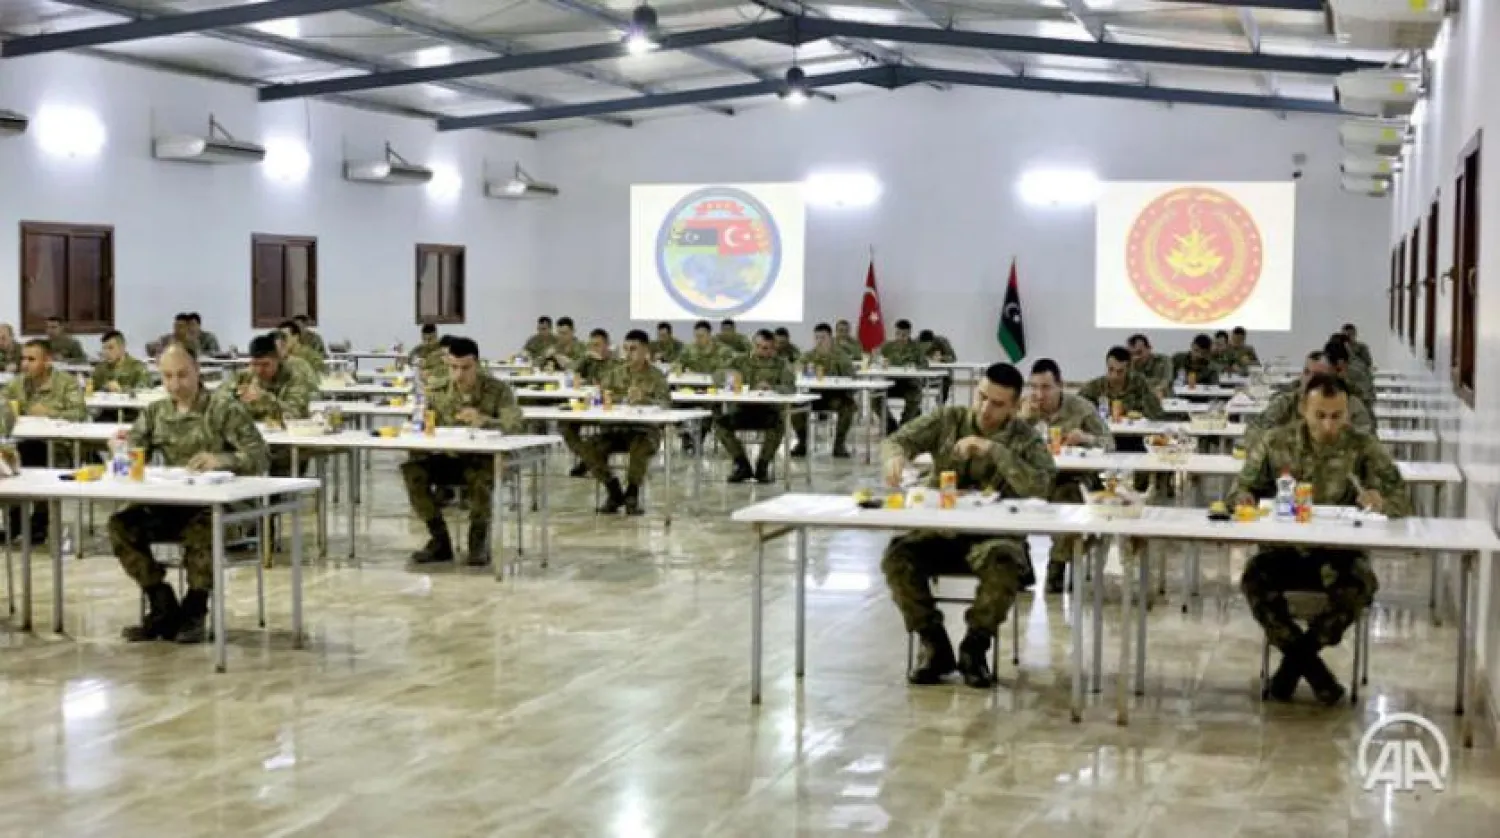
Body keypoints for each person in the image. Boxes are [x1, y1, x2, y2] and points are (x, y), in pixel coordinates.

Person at [1229, 374, 1408, 704]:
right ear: (1303, 409)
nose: (1329, 425)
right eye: (1320, 415)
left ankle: (1294, 665)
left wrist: (1380, 501)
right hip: (1283, 550)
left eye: (1337, 416)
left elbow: (1402, 497)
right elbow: (1240, 488)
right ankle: (1314, 670)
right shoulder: (1275, 442)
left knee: (1360, 587)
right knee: (1254, 581)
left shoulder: (1363, 446)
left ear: (1347, 412)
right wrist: (1244, 498)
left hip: (1339, 554)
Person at [880, 362, 1056, 688]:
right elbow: (898, 440)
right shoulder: (949, 420)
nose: (986, 409)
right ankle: (934, 643)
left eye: (997, 404)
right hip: (940, 532)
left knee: (1004, 563)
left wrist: (994, 450)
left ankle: (975, 648)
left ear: (1015, 407)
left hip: (992, 537)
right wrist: (895, 456)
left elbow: (1042, 486)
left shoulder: (1025, 439)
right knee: (898, 557)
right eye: (982, 397)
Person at [111, 344, 269, 643]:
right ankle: (161, 602)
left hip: (226, 507)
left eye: (182, 375)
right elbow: (134, 451)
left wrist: (222, 459)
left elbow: (260, 456)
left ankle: (195, 608)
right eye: (167, 376)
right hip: (175, 502)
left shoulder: (224, 410)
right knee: (122, 525)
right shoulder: (156, 412)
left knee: (203, 529)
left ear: (197, 371)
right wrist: (121, 450)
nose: (175, 384)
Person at [401, 337, 523, 567]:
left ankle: (478, 541)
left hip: (485, 460)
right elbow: (420, 421)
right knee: (413, 471)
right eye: (453, 367)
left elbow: (515, 424)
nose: (459, 374)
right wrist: (420, 427)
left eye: (465, 368)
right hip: (450, 457)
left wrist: (485, 420)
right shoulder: (437, 390)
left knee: (481, 478)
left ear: (477, 364)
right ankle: (439, 540)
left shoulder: (498, 390)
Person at [1019, 359, 1113, 593]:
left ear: (1060, 385)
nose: (1039, 394)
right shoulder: (1025, 408)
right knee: (1009, 494)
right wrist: (1024, 420)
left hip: (1074, 476)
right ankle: (1021, 566)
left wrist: (1086, 438)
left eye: (1046, 387)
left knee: (1067, 498)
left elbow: (1109, 444)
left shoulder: (1081, 408)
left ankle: (1057, 568)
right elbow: (1002, 443)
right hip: (1036, 476)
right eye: (1034, 387)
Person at [4, 338, 87, 542]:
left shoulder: (66, 383)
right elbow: (2, 403)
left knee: (29, 453)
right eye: (23, 359)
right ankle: (14, 520)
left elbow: (80, 413)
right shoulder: (18, 383)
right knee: (9, 456)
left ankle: (38, 521)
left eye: (31, 359)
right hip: (25, 443)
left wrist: (49, 413)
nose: (25, 364)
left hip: (59, 448)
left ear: (47, 361)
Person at [580, 330, 670, 515]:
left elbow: (666, 404)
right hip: (616, 430)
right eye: (626, 349)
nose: (628, 354)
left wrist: (644, 399)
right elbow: (601, 398)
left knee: (639, 447)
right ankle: (613, 489)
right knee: (588, 448)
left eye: (633, 349)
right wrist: (603, 399)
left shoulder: (657, 376)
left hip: (644, 431)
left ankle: (632, 493)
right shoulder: (614, 374)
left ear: (645, 350)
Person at [1244, 351, 1373, 449]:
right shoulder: (1285, 402)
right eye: (1306, 372)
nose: (1309, 379)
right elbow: (1254, 431)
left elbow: (1369, 441)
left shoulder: (1350, 404)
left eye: (1317, 375)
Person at [716, 329, 795, 484]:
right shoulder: (739, 361)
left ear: (772, 348)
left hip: (767, 411)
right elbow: (717, 376)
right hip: (742, 409)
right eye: (757, 346)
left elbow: (790, 388)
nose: (760, 350)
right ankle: (742, 464)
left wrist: (772, 387)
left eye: (765, 348)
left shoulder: (781, 364)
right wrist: (730, 379)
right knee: (719, 424)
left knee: (779, 424)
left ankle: (762, 466)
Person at [792, 323, 856, 458]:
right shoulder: (809, 355)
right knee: (794, 406)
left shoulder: (840, 355)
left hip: (834, 397)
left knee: (848, 406)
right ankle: (802, 442)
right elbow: (796, 367)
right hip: (813, 396)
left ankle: (839, 444)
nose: (819, 341)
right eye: (816, 338)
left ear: (830, 338)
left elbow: (851, 377)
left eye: (823, 337)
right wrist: (800, 368)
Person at [232, 334, 314, 426]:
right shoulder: (244, 376)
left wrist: (264, 399)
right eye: (255, 364)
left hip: (290, 431)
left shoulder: (295, 377)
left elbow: (296, 413)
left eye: (265, 364)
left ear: (277, 359)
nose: (259, 370)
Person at [1076, 346, 1164, 423]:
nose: (1114, 376)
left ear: (1128, 369)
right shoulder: (1094, 386)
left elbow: (1155, 415)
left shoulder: (1139, 383)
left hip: (1134, 431)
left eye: (1120, 371)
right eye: (1111, 369)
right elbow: (1076, 409)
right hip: (1105, 431)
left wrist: (1154, 400)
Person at [878, 320, 929, 431]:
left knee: (915, 396)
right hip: (890, 383)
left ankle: (904, 425)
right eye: (897, 334)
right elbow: (875, 360)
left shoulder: (916, 348)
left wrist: (914, 367)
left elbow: (924, 365)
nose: (900, 337)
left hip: (909, 383)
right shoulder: (887, 346)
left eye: (904, 335)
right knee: (875, 397)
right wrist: (881, 363)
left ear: (909, 333)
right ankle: (890, 424)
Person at [1323, 339, 1376, 410]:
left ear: (1340, 362)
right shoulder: (1326, 374)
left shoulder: (1356, 372)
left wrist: (1345, 380)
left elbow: (1366, 399)